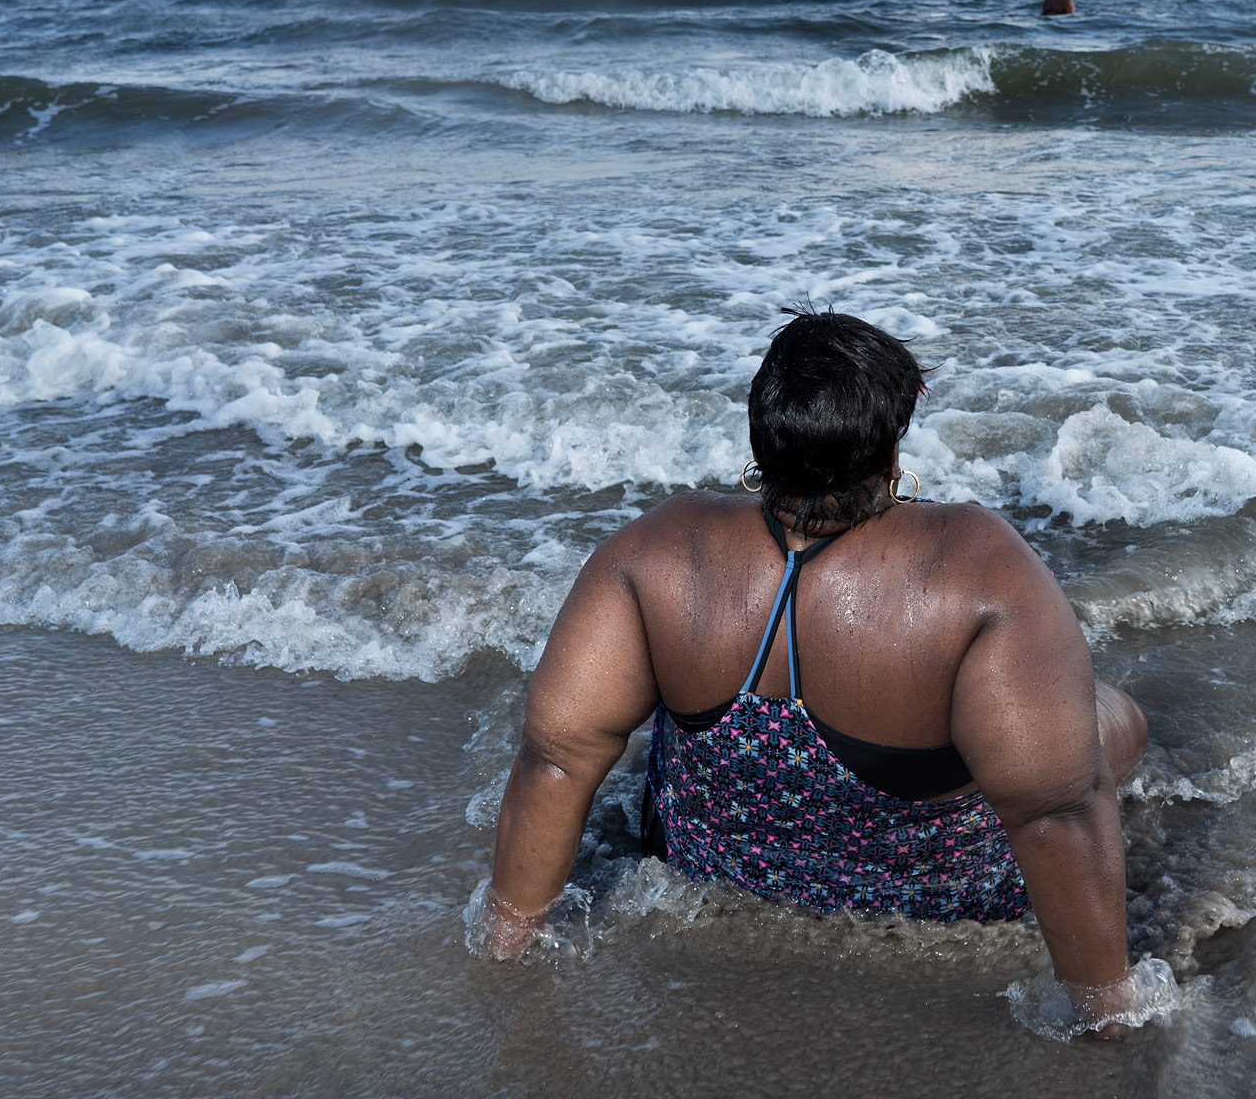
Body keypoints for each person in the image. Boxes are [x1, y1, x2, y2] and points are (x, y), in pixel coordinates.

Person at [474, 309, 1150, 1031]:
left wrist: (502, 948)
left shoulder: (661, 548)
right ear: (890, 448)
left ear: (764, 434)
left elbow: (555, 759)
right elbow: (1057, 811)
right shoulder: (978, 564)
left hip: (712, 870)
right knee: (1113, 720)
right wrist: (1106, 1016)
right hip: (942, 902)